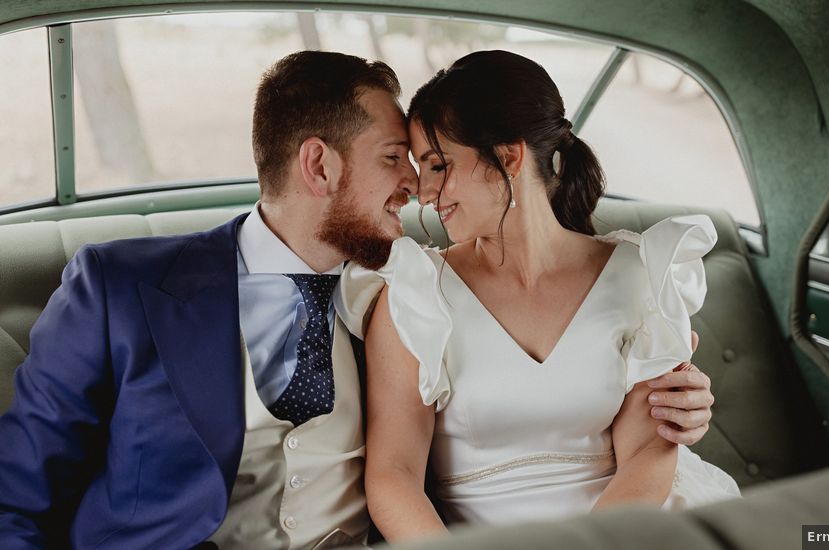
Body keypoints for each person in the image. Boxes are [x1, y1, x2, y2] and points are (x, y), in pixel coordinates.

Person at [0, 50, 714, 549]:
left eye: (427, 163)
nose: (416, 189)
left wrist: (680, 402)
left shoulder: (395, 290)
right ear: (318, 165)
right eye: (394, 160)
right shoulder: (118, 287)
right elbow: (16, 494)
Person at [338, 50, 740, 543]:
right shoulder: (416, 293)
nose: (424, 193)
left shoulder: (640, 276)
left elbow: (647, 457)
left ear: (508, 156)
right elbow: (392, 476)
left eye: (439, 166)